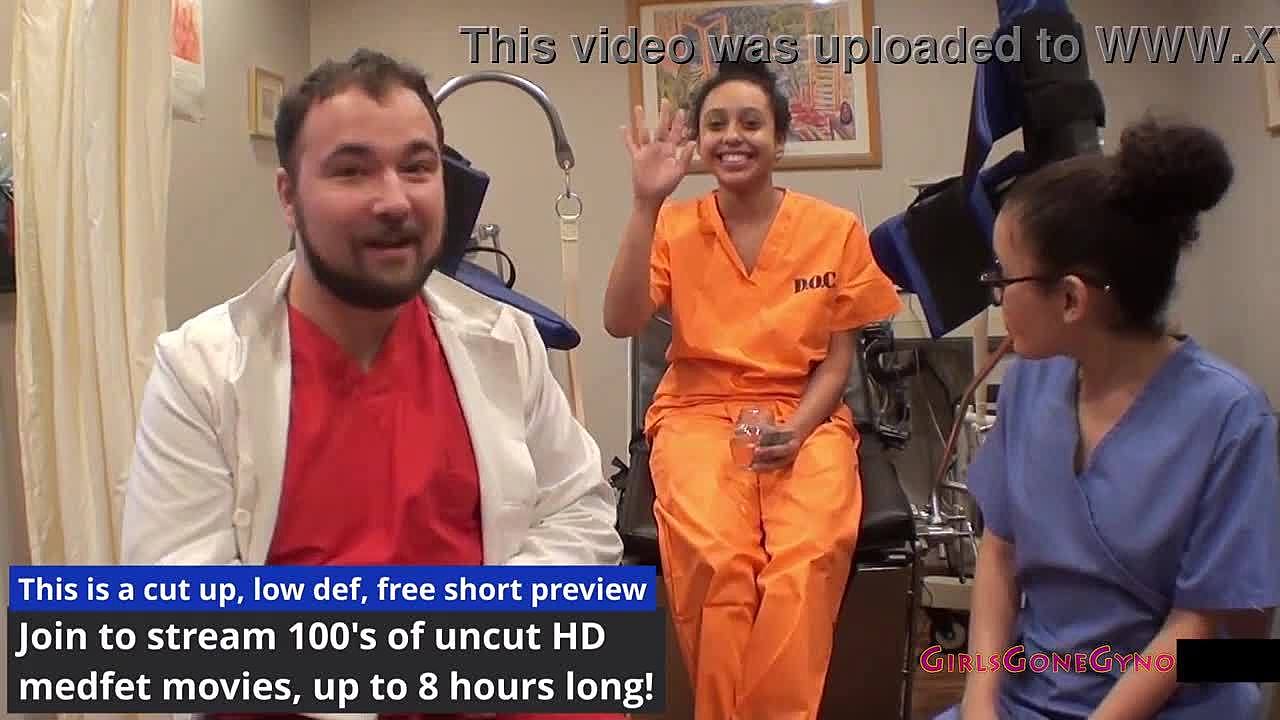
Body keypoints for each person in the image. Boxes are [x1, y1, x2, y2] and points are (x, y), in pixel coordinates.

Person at [120, 49, 623, 719]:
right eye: (352, 170)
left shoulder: (503, 340)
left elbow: (580, 513)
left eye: (417, 167)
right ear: (288, 197)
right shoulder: (200, 370)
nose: (394, 200)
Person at [937, 117, 1280, 720]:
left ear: (1071, 298)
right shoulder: (1029, 385)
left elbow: (1200, 620)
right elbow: (1000, 551)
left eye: (1003, 277)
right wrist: (980, 703)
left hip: (1172, 702)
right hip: (1035, 694)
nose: (996, 293)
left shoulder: (1229, 416)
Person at [603, 60, 904, 720]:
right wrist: (645, 204)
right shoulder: (673, 225)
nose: (732, 136)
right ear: (699, 141)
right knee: (720, 560)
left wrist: (796, 429)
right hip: (696, 413)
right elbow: (620, 321)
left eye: (751, 123)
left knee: (807, 556)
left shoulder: (833, 231)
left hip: (807, 415)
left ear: (780, 139)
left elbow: (837, 365)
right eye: (715, 124)